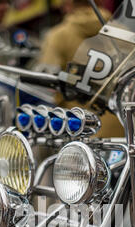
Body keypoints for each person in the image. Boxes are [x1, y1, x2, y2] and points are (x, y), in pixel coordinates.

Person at [37, 0, 125, 138]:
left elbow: (48, 84)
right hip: (121, 129)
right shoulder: (124, 33)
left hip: (79, 128)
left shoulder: (58, 35)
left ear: (68, 4)